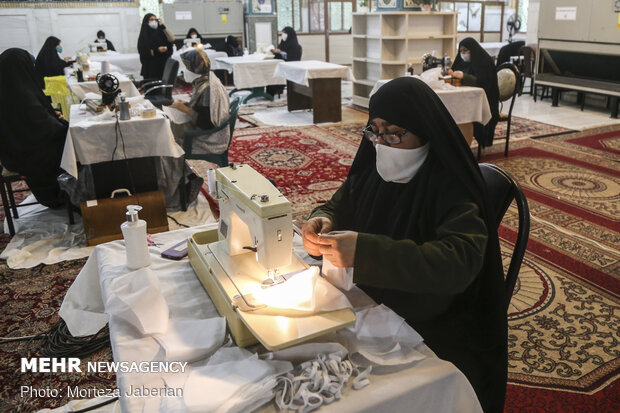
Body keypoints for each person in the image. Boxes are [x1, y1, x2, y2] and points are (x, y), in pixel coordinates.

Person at [302, 77, 507, 412]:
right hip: (379, 304)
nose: (381, 143)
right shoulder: (376, 168)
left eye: (394, 134)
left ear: (425, 131)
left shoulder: (450, 185)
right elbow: (341, 203)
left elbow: (457, 262)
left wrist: (366, 252)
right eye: (374, 131)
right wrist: (323, 219)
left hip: (434, 320)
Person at [0, 48, 68, 208]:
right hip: (29, 154)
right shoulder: (23, 95)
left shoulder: (8, 90)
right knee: (73, 144)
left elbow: (35, 121)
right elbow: (45, 129)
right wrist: (64, 127)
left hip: (12, 152)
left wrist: (52, 118)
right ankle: (66, 194)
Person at [447, 37, 499, 149]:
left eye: (465, 51)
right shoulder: (462, 62)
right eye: (460, 51)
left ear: (473, 49)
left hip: (484, 103)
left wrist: (463, 76)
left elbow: (483, 82)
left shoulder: (485, 62)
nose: (463, 54)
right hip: (465, 99)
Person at [137, 13, 174, 80]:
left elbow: (172, 39)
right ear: (146, 21)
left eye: (155, 19)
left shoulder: (161, 32)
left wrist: (163, 26)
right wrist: (157, 50)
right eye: (151, 19)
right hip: (150, 67)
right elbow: (143, 51)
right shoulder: (144, 35)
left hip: (163, 65)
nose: (154, 21)